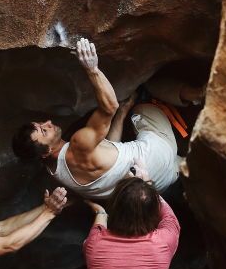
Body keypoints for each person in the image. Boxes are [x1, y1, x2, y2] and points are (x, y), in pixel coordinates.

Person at [12, 38, 204, 200]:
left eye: (40, 124)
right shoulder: (78, 144)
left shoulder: (54, 173)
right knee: (147, 93)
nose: (48, 123)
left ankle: (192, 171)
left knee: (188, 165)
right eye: (44, 131)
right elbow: (109, 106)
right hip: (157, 154)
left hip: (157, 185)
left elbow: (109, 150)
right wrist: (92, 68)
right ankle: (197, 94)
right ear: (45, 152)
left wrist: (122, 113)